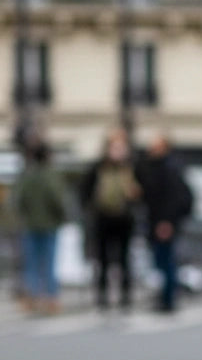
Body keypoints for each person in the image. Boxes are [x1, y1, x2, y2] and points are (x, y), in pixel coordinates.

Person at [80, 127, 141, 310]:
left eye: (120, 147)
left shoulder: (131, 167)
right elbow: (85, 191)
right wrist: (90, 208)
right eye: (114, 146)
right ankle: (102, 296)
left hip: (124, 218)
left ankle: (125, 296)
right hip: (103, 217)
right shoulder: (98, 168)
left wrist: (135, 197)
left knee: (124, 259)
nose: (117, 151)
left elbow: (142, 191)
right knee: (103, 259)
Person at [136, 133, 193, 312]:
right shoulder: (156, 166)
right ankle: (166, 298)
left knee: (166, 262)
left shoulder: (168, 168)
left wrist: (167, 221)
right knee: (161, 262)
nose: (150, 149)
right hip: (157, 221)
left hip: (163, 223)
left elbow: (172, 198)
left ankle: (168, 299)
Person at [12, 137, 67, 315]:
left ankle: (33, 298)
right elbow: (57, 200)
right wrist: (60, 217)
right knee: (50, 264)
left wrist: (26, 215)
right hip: (49, 224)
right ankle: (51, 299)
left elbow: (19, 200)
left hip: (30, 225)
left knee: (32, 264)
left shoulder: (28, 175)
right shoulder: (50, 175)